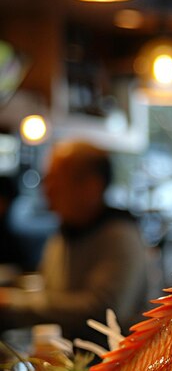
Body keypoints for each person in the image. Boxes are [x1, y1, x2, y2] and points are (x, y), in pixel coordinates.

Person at [0, 140, 151, 345]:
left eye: (55, 179)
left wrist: (13, 302)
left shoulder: (119, 235)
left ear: (91, 186)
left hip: (117, 368)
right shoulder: (66, 231)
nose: (47, 189)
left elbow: (103, 311)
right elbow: (50, 292)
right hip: (71, 362)